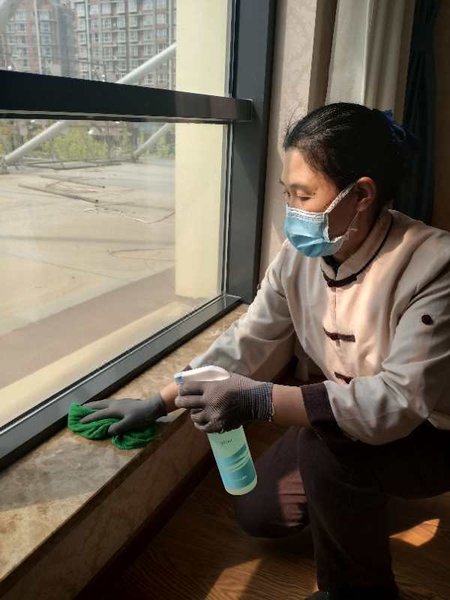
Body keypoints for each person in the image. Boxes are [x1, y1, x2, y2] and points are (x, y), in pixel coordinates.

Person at [81, 103, 450, 600]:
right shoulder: (299, 257)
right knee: (261, 513)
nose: (291, 210)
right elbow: (250, 338)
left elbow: (398, 402)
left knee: (326, 448)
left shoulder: (433, 265)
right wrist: (161, 400)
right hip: (349, 412)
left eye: (304, 195)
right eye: (286, 192)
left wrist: (258, 400)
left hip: (432, 433)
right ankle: (356, 486)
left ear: (362, 194)